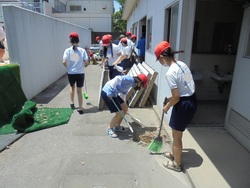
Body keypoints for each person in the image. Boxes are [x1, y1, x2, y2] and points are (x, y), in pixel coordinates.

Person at [154, 41, 197, 172]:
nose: (160, 63)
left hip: (183, 104)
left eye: (159, 60)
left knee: (177, 136)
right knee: (176, 133)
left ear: (162, 57)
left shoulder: (170, 73)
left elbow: (177, 97)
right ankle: (174, 154)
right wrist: (171, 99)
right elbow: (187, 85)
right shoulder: (182, 64)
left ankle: (177, 164)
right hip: (191, 100)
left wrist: (167, 106)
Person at [101, 74, 148, 138]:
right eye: (141, 85)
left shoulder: (131, 84)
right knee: (120, 114)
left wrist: (124, 105)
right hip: (107, 92)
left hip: (114, 94)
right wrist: (110, 90)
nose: (140, 87)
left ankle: (117, 126)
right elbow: (117, 78)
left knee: (124, 109)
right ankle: (109, 129)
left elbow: (123, 95)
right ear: (139, 82)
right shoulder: (130, 80)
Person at [63, 32, 89, 114]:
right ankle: (80, 108)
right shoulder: (82, 50)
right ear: (78, 41)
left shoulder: (67, 51)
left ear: (70, 41)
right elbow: (87, 61)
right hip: (80, 72)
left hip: (71, 73)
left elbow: (63, 61)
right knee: (79, 91)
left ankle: (72, 102)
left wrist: (68, 68)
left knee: (72, 87)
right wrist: (85, 65)